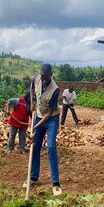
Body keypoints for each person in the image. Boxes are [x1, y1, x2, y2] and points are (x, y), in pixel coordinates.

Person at [26, 64, 64, 196]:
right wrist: (32, 103)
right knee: (35, 146)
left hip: (51, 119)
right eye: (41, 76)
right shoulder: (36, 78)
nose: (42, 80)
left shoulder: (55, 90)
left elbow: (49, 113)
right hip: (39, 115)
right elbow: (31, 89)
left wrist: (35, 127)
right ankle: (33, 177)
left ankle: (56, 183)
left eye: (45, 78)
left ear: (50, 76)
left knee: (51, 147)